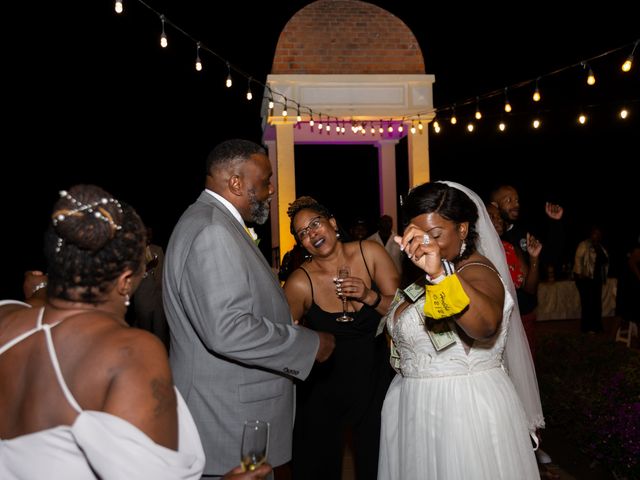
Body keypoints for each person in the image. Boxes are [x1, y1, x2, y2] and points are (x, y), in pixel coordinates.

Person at [0, 184, 272, 479]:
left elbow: (36, 301)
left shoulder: (7, 317)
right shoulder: (130, 352)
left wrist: (40, 289)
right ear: (126, 280)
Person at [163, 139, 335, 478]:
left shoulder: (214, 223)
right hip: (225, 421)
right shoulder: (212, 231)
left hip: (230, 417)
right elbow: (228, 330)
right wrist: (309, 344)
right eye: (266, 179)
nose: (272, 189)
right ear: (237, 182)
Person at [378, 181, 544, 480]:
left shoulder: (477, 271)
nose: (425, 243)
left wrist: (441, 275)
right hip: (414, 407)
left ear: (463, 230)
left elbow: (485, 325)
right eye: (418, 234)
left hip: (460, 411)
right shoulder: (421, 275)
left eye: (436, 235)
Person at [283, 196, 399, 480]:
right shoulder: (301, 281)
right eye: (303, 233)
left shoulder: (370, 252)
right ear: (301, 244)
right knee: (319, 465)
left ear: (332, 223)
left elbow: (402, 310)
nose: (312, 234)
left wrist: (368, 296)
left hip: (373, 379)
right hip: (324, 386)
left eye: (315, 224)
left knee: (376, 461)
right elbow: (282, 334)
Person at [130, 226, 170, 350]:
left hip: (159, 298)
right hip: (143, 299)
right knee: (144, 333)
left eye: (150, 234)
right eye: (146, 234)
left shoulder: (157, 249)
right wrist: (147, 268)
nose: (149, 237)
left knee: (161, 333)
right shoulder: (135, 253)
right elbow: (133, 276)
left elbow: (164, 272)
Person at [573, 225, 609, 333]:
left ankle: (597, 327)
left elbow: (605, 261)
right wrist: (580, 274)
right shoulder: (584, 245)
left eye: (598, 234)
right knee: (587, 303)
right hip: (584, 279)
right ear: (591, 234)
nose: (596, 236)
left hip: (596, 279)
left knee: (596, 303)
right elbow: (578, 259)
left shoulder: (600, 247)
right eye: (595, 233)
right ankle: (586, 328)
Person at [368, 214, 403, 280]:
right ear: (379, 223)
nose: (387, 223)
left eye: (389, 221)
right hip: (377, 277)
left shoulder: (400, 240)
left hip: (396, 275)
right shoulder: (370, 240)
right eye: (384, 221)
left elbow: (403, 259)